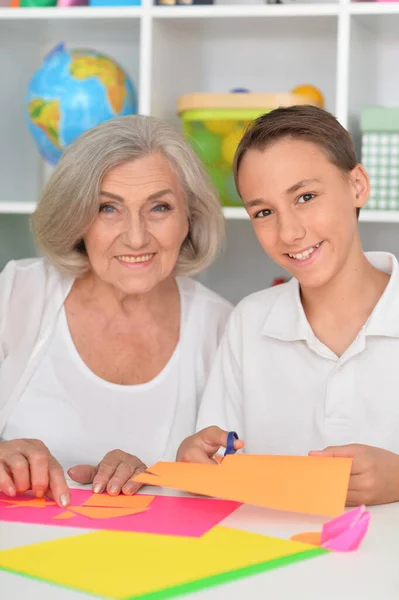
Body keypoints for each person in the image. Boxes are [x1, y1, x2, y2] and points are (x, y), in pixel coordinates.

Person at [0, 115, 232, 507]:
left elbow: (232, 480)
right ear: (77, 219)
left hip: (161, 560)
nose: (137, 236)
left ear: (188, 219)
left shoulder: (222, 326)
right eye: (108, 208)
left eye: (159, 207)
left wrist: (160, 478)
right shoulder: (17, 293)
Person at [177, 105, 399, 507]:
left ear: (357, 186)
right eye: (264, 211)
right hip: (273, 560)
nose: (290, 232)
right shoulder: (249, 321)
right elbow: (219, 459)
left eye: (306, 196)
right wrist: (198, 461)